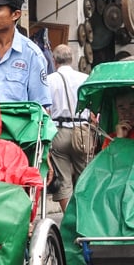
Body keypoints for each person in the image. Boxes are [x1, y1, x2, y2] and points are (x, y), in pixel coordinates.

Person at [45, 43, 92, 209]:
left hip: (59, 132)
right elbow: (93, 110)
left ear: (54, 60)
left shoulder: (49, 80)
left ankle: (70, 222)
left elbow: (46, 112)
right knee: (85, 178)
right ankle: (85, 218)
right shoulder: (85, 79)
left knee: (64, 181)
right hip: (82, 132)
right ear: (72, 59)